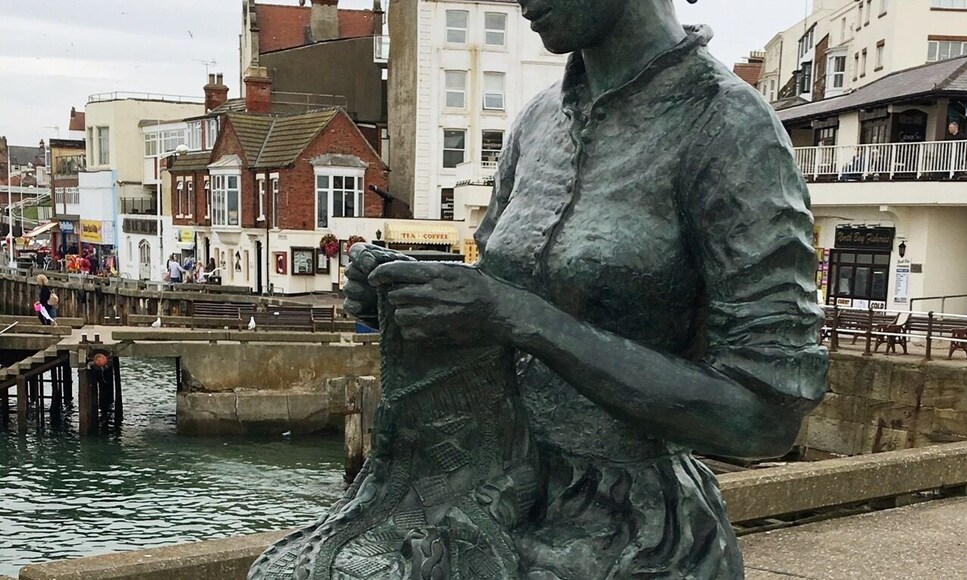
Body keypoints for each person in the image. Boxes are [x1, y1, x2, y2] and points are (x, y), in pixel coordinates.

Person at [251, 1, 826, 578]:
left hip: (631, 528)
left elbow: (765, 418)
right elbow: (492, 300)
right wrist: (411, 299)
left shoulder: (731, 128)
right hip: (499, 483)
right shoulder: (536, 122)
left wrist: (525, 319)